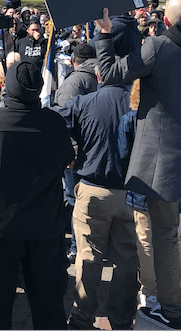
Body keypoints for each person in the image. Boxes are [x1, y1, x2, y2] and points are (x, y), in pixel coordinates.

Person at [94, 0, 181, 330]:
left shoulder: (157, 47)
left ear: (166, 22)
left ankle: (172, 312)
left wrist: (105, 34)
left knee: (167, 235)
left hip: (162, 162)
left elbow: (110, 73)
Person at [0, 61, 74, 329]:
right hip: (44, 225)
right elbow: (67, 158)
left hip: (0, 226)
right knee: (48, 306)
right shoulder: (54, 123)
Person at [57, 71, 139, 330]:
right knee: (127, 259)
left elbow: (54, 122)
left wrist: (68, 151)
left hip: (93, 191)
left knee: (88, 256)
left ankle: (82, 317)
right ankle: (121, 319)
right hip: (129, 194)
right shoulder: (140, 105)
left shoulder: (84, 102)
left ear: (99, 73)